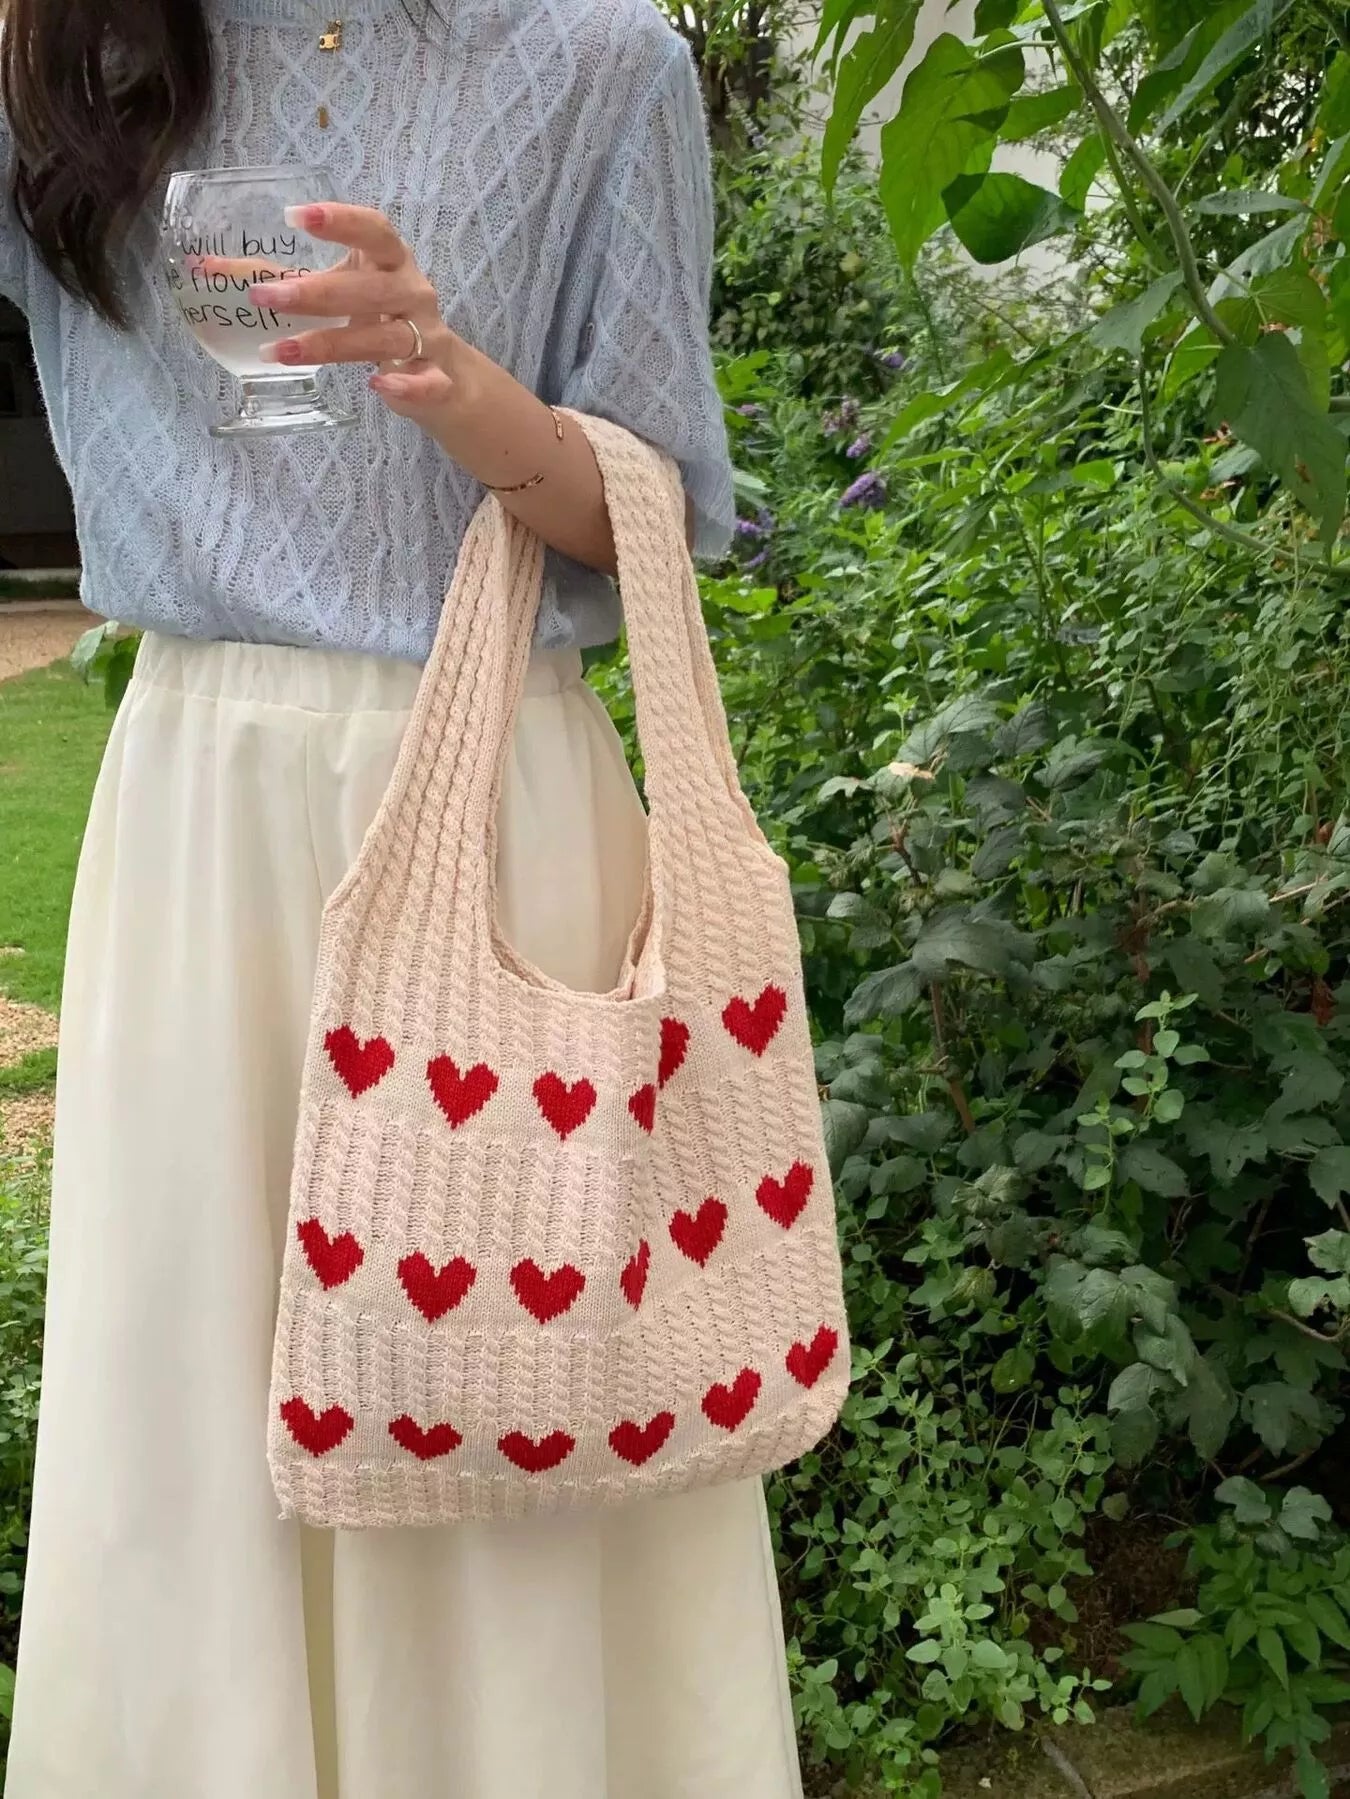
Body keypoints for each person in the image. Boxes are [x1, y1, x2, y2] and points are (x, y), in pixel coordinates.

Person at [0, 0, 804, 1793]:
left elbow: (664, 498)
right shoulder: (63, 54)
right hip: (201, 815)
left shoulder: (604, 61)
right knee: (192, 1402)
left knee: (524, 1370)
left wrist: (467, 390)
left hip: (504, 785)